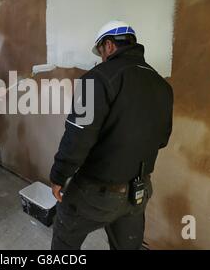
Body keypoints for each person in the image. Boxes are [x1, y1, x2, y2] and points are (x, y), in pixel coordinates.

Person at [49, 21, 173, 250]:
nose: (101, 58)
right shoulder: (162, 85)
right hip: (139, 190)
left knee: (65, 237)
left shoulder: (94, 79)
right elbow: (162, 139)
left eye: (100, 52)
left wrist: (58, 176)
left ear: (108, 45)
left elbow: (77, 137)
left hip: (97, 192)